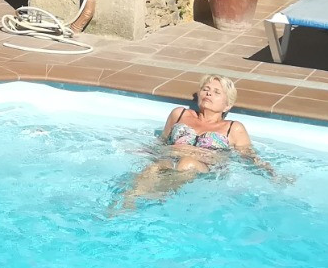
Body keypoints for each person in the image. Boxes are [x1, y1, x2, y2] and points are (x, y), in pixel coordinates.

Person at [111, 74, 285, 212]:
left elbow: (250, 157)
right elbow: (161, 142)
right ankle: (126, 203)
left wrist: (273, 174)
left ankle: (159, 196)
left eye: (216, 92)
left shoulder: (233, 128)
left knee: (188, 163)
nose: (208, 93)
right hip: (170, 160)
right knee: (155, 166)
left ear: (227, 105)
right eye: (205, 89)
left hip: (206, 169)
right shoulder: (179, 114)